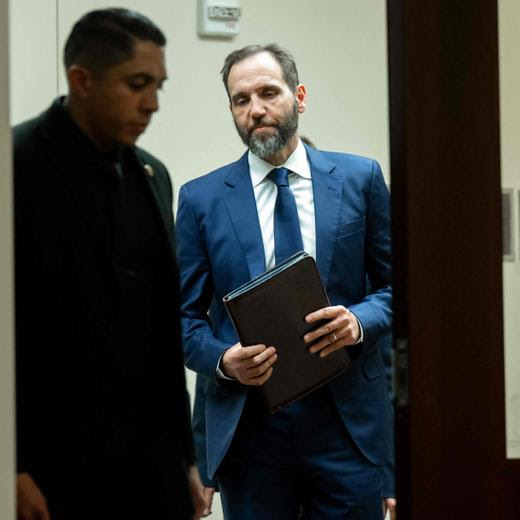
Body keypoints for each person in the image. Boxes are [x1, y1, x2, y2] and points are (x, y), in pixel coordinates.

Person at [176, 44, 393, 519]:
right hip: (251, 430)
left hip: (347, 423)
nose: (256, 109)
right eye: (240, 99)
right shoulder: (200, 200)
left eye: (268, 93)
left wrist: (357, 321)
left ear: (299, 96)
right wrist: (223, 360)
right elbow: (183, 319)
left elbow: (398, 291)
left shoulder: (362, 179)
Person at [13, 9, 205, 520]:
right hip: (52, 465)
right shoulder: (17, 163)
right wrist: (11, 464)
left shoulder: (152, 175)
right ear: (82, 80)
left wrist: (186, 460)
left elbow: (163, 328)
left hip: (151, 464)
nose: (153, 104)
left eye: (158, 85)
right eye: (137, 84)